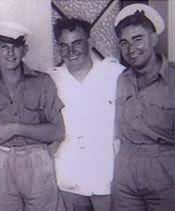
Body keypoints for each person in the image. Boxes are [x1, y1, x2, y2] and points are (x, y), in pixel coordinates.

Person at [0, 21, 65, 211]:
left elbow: (58, 131)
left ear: (25, 50)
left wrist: (16, 129)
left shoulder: (42, 82)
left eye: (16, 47)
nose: (10, 53)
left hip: (36, 160)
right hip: (2, 163)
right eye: (4, 47)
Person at [51, 18, 124, 211]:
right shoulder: (51, 80)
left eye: (77, 43)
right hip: (69, 177)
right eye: (64, 46)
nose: (71, 51)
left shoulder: (115, 74)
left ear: (89, 42)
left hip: (108, 176)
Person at [112, 3, 175, 210]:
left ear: (154, 39)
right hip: (125, 172)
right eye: (124, 43)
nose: (131, 49)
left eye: (138, 39)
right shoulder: (121, 79)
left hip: (165, 172)